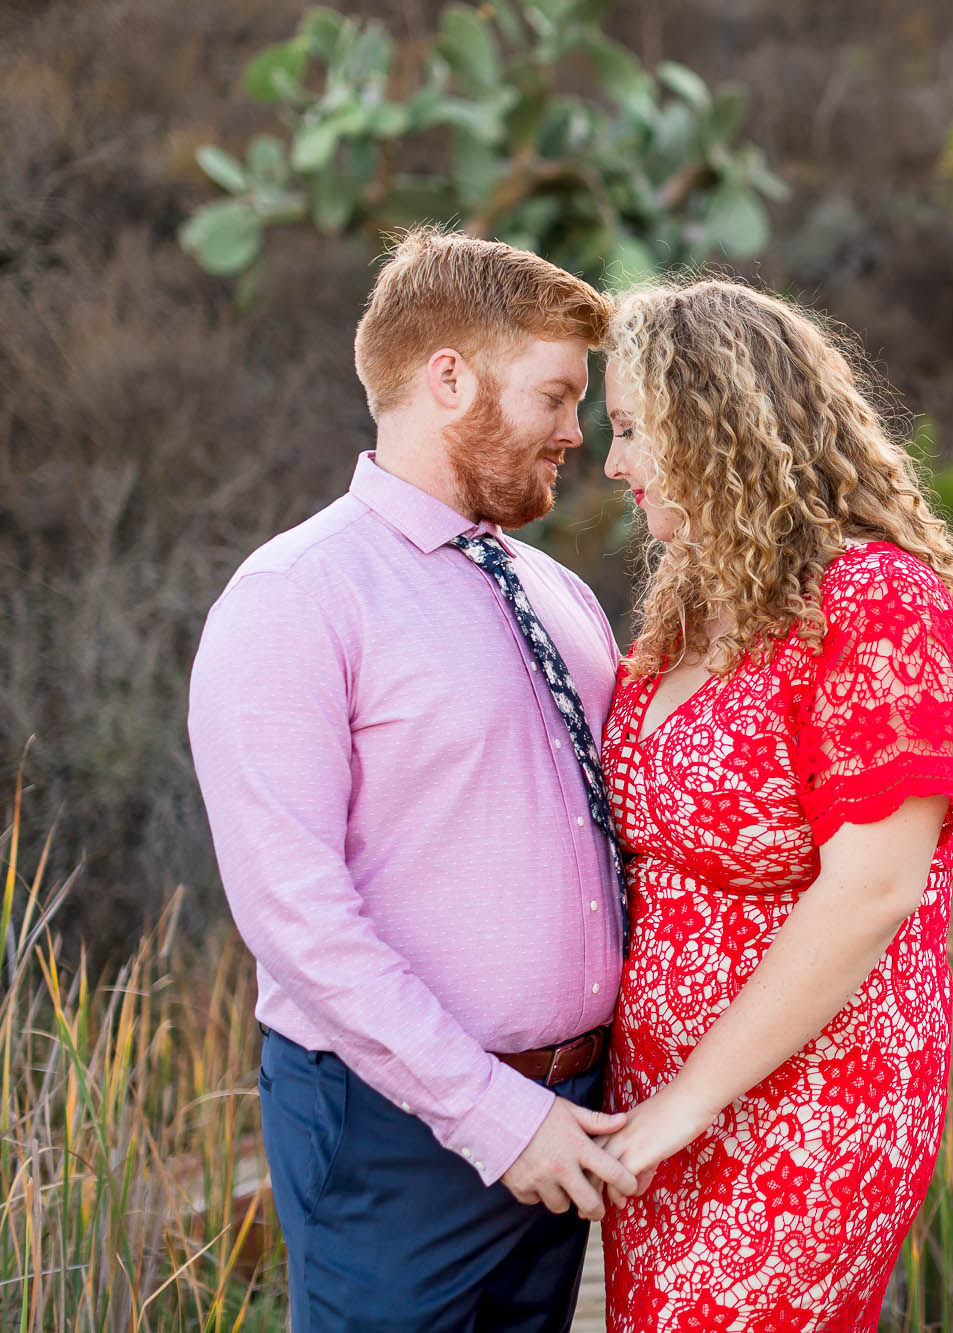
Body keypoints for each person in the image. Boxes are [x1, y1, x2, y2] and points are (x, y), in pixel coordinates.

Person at [187, 227, 639, 1332]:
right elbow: (293, 914)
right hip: (397, 1127)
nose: (575, 432)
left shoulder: (559, 594)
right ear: (450, 378)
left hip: (573, 1112)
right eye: (554, 395)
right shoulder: (296, 594)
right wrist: (493, 1114)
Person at [593, 278, 953, 1330]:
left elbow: (874, 887)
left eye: (631, 430)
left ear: (712, 425)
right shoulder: (688, 611)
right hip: (662, 1108)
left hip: (816, 1103)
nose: (613, 463)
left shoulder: (877, 600)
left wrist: (685, 1103)